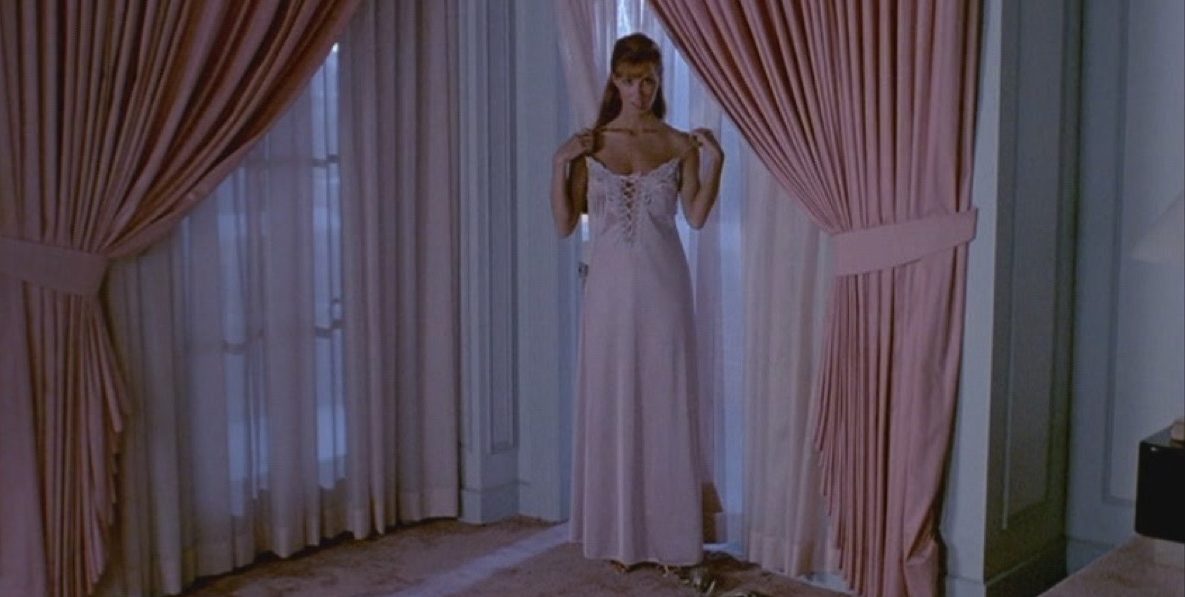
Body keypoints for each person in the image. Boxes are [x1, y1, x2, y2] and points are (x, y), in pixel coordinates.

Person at [550, 32, 724, 571]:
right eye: (629, 80)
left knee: (664, 405)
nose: (639, 91)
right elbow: (563, 224)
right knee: (613, 402)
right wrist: (559, 163)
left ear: (658, 80)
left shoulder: (678, 144)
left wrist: (716, 163)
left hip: (664, 290)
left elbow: (696, 216)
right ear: (614, 80)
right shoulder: (591, 144)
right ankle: (618, 537)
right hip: (606, 295)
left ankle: (672, 539)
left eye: (648, 80)